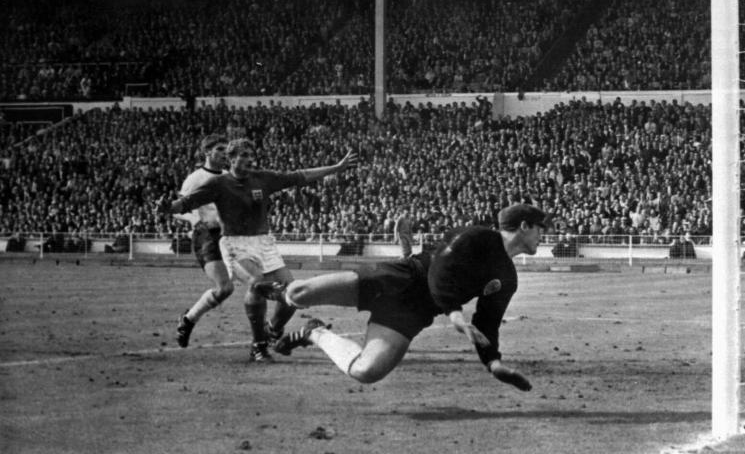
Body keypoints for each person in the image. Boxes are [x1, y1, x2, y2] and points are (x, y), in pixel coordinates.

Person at [255, 203, 548, 391]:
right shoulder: (476, 236)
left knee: (366, 371)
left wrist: (493, 362)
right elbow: (439, 272)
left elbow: (487, 321)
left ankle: (314, 333)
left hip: (414, 311)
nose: (542, 235)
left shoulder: (508, 278)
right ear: (524, 225)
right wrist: (454, 312)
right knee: (299, 292)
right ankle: (280, 293)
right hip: (400, 278)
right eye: (541, 228)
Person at [158, 138, 358, 362]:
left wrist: (336, 168)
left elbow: (300, 175)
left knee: (293, 295)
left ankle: (272, 331)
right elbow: (186, 203)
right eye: (244, 155)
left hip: (264, 243)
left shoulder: (263, 178)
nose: (250, 160)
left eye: (252, 155)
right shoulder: (219, 183)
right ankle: (258, 346)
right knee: (255, 282)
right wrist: (168, 207)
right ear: (232, 159)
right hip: (235, 243)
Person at [172, 134, 232, 349]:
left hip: (230, 235)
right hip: (206, 236)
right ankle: (188, 319)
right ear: (207, 152)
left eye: (226, 150)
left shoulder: (228, 176)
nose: (225, 154)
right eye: (220, 149)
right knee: (224, 288)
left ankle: (264, 337)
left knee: (257, 282)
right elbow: (177, 211)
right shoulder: (195, 179)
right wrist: (195, 219)